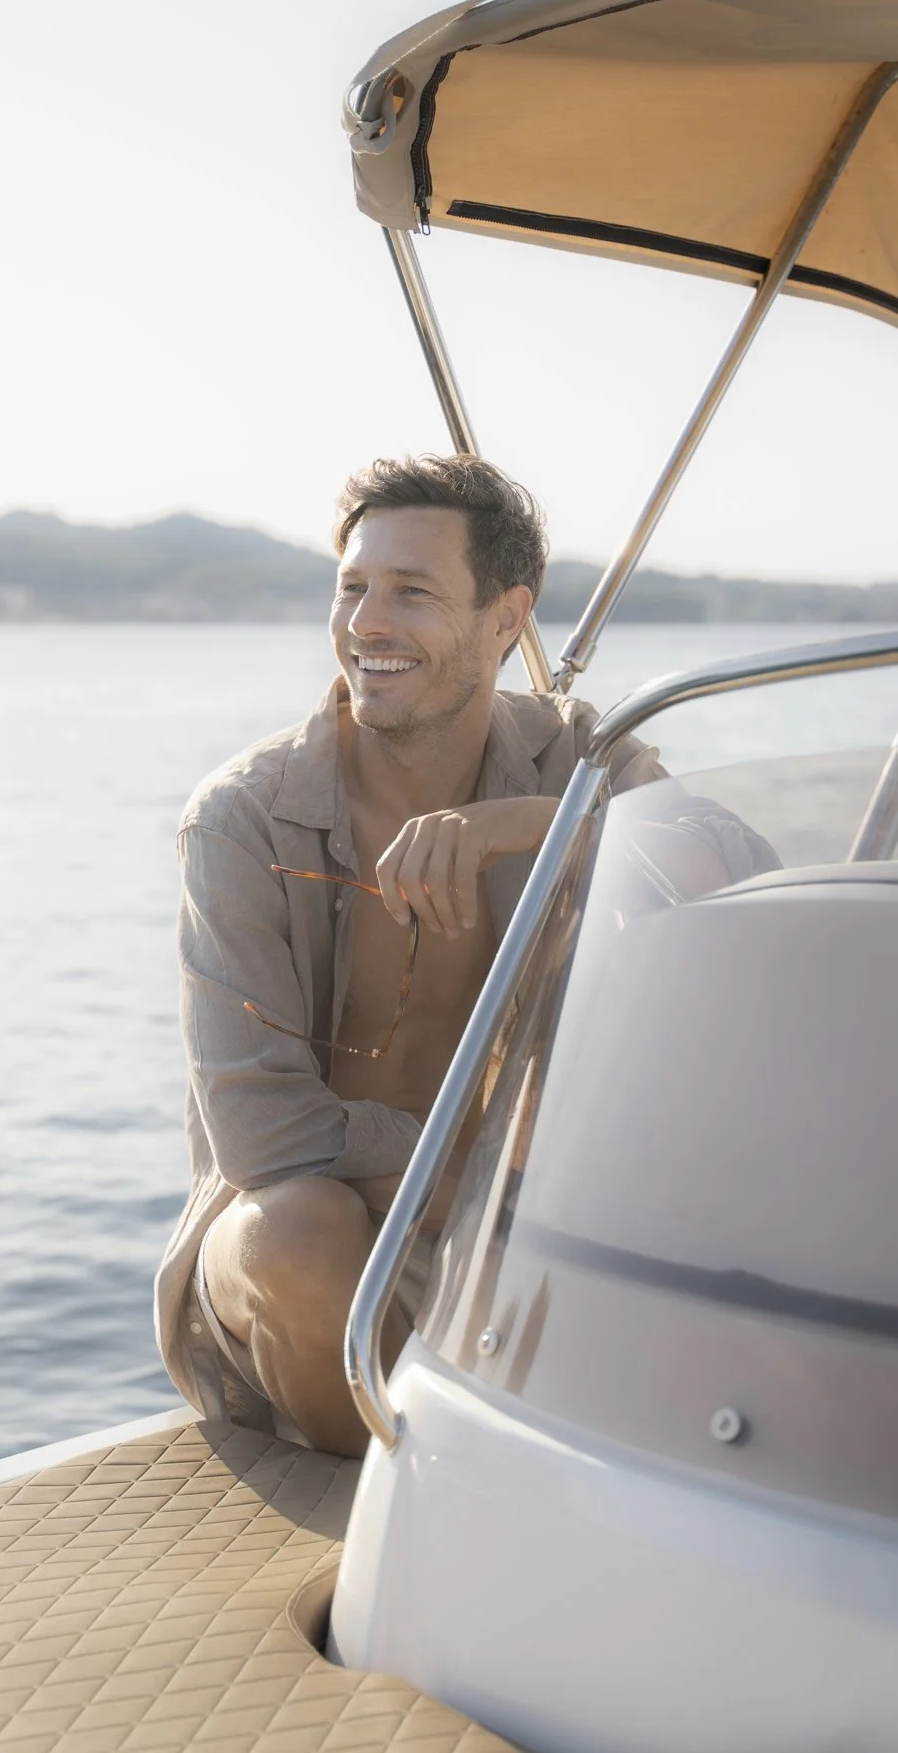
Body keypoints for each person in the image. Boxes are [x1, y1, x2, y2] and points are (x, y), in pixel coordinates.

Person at [154, 455, 772, 1456]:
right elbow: (262, 1138)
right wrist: (481, 1180)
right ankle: (379, 1497)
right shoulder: (243, 817)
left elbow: (747, 876)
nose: (366, 622)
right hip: (339, 1240)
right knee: (296, 1233)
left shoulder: (577, 760)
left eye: (411, 591)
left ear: (504, 618)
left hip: (521, 1228)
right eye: (352, 586)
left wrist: (547, 825)